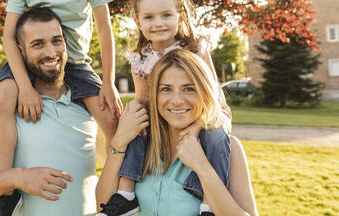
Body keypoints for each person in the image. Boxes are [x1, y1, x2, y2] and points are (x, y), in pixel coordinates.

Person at [0, 0, 121, 215]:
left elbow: (105, 31)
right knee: (2, 95)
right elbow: (9, 36)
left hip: (74, 63)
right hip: (32, 62)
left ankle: (121, 190)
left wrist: (109, 81)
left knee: (110, 117)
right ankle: (6, 191)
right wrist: (25, 86)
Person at [98, 0, 232, 215]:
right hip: (159, 119)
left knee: (217, 136)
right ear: (138, 23)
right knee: (137, 124)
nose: (158, 23)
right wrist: (131, 122)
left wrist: (199, 125)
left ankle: (208, 204)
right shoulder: (140, 59)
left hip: (208, 116)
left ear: (180, 16)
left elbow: (215, 98)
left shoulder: (195, 49)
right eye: (149, 17)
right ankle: (126, 193)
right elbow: (141, 98)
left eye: (166, 15)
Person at [0, 7, 98, 215]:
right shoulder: (0, 107)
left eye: (56, 41)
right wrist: (18, 177)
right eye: (38, 44)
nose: (51, 52)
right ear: (21, 51)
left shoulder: (89, 104)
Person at [96, 49, 258, 216]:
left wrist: (202, 167)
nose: (177, 100)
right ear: (155, 95)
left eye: (189, 89)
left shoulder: (227, 149)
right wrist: (119, 141)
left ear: (205, 93)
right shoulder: (140, 143)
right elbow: (102, 206)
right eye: (166, 89)